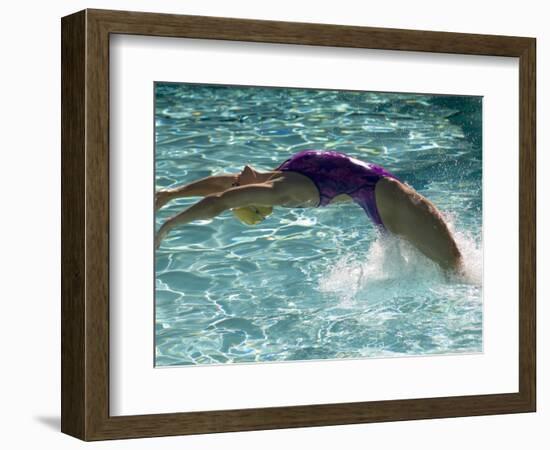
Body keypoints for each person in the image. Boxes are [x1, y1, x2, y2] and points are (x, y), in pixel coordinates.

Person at [155, 149, 463, 271]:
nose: (238, 179)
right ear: (252, 198)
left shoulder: (276, 174)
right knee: (456, 269)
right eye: (240, 191)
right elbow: (221, 201)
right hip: (391, 200)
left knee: (449, 267)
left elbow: (222, 188)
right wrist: (169, 226)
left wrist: (172, 194)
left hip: (383, 199)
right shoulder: (282, 191)